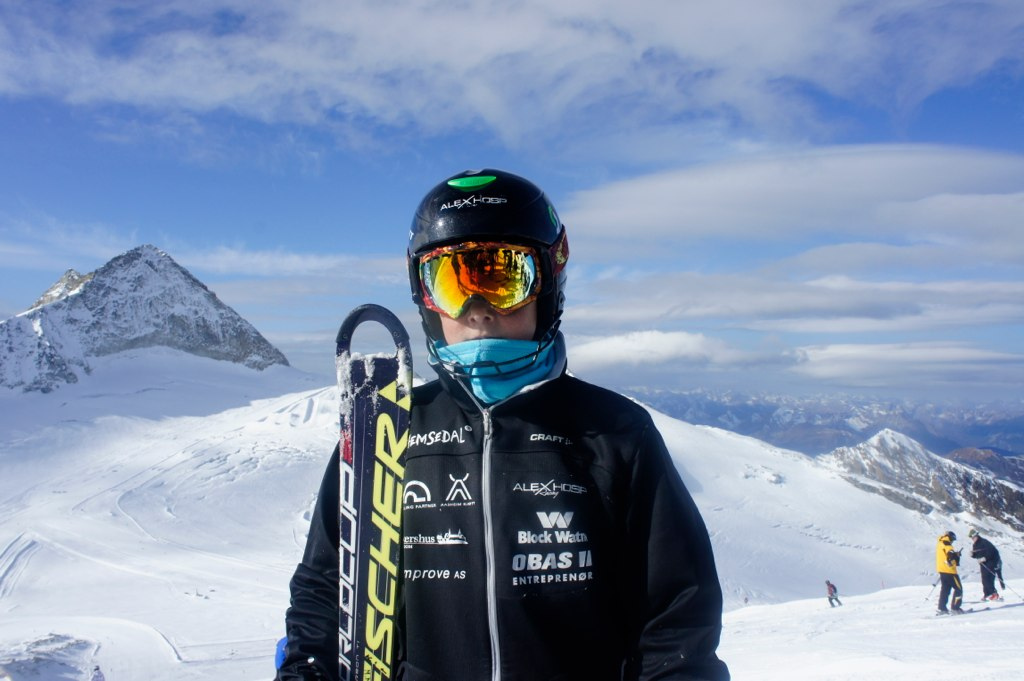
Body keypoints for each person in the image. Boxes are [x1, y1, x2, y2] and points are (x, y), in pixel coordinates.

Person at [277, 169, 730, 680]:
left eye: (503, 279)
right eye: (452, 284)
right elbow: (328, 590)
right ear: (425, 298)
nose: (478, 310)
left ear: (547, 286)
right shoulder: (389, 430)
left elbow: (678, 616)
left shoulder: (614, 433)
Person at [968, 528, 1004, 601]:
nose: (972, 539)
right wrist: (972, 555)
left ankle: (994, 594)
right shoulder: (975, 545)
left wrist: (984, 558)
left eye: (973, 537)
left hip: (991, 562)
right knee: (984, 579)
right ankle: (987, 594)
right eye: (972, 538)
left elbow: (991, 552)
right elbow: (977, 554)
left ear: (976, 536)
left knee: (989, 578)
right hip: (983, 564)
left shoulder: (984, 542)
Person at [935, 530, 964, 615]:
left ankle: (942, 608)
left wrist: (954, 554)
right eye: (953, 540)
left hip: (942, 570)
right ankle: (955, 608)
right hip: (950, 571)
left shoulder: (940, 543)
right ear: (950, 538)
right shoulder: (947, 543)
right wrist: (956, 555)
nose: (952, 542)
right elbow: (950, 554)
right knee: (959, 589)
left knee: (945, 590)